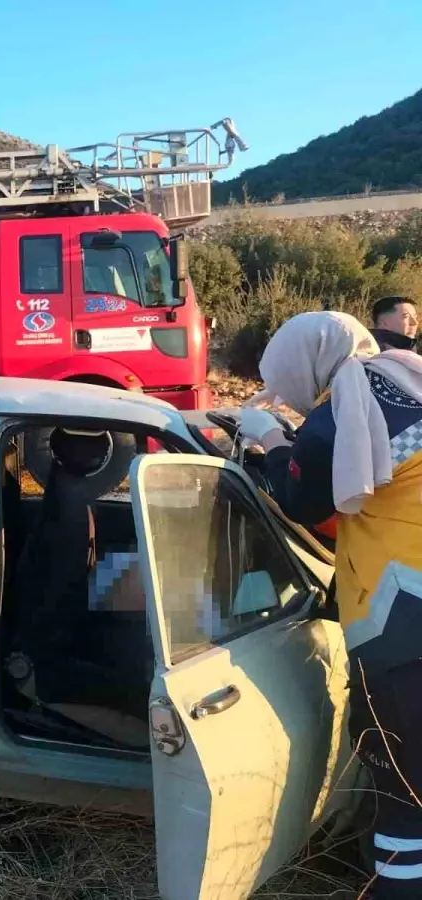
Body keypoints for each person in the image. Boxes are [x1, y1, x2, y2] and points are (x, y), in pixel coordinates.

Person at [237, 310, 422, 898]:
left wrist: (268, 439)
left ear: (306, 360)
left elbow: (302, 493)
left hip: (404, 626)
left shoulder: (343, 404)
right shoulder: (406, 380)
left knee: (403, 792)